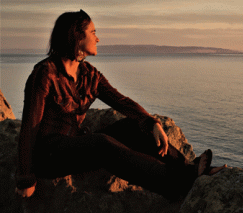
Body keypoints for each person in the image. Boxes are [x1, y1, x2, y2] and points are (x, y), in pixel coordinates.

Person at [15, 10, 226, 200]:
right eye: (93, 32)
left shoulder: (89, 74)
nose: (98, 38)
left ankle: (189, 168)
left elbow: (122, 101)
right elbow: (29, 128)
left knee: (132, 127)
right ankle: (178, 184)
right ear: (78, 36)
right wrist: (26, 177)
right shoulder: (45, 73)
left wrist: (151, 123)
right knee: (102, 143)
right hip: (50, 155)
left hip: (76, 145)